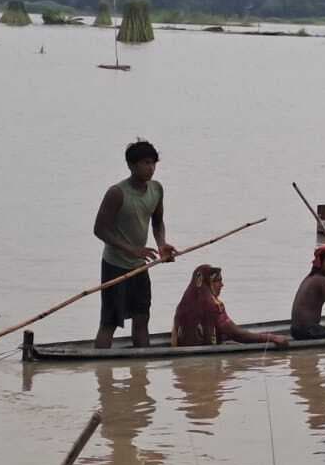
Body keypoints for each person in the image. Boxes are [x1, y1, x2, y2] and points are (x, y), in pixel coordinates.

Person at [93, 140, 176, 349]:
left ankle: (141, 372)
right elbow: (100, 230)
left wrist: (162, 244)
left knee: (142, 317)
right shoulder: (117, 193)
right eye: (145, 163)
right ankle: (101, 371)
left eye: (153, 163)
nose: (150, 168)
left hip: (139, 266)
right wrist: (131, 249)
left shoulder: (156, 190)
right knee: (109, 322)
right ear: (131, 165)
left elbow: (157, 222)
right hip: (115, 266)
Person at [172, 264, 288, 347]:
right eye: (218, 281)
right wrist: (271, 338)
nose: (222, 285)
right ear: (209, 283)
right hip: (205, 356)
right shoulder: (214, 305)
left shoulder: (182, 305)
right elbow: (237, 334)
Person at [291, 244, 325, 340]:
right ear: (320, 263)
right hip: (307, 330)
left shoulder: (310, 277)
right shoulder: (323, 281)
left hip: (295, 329)